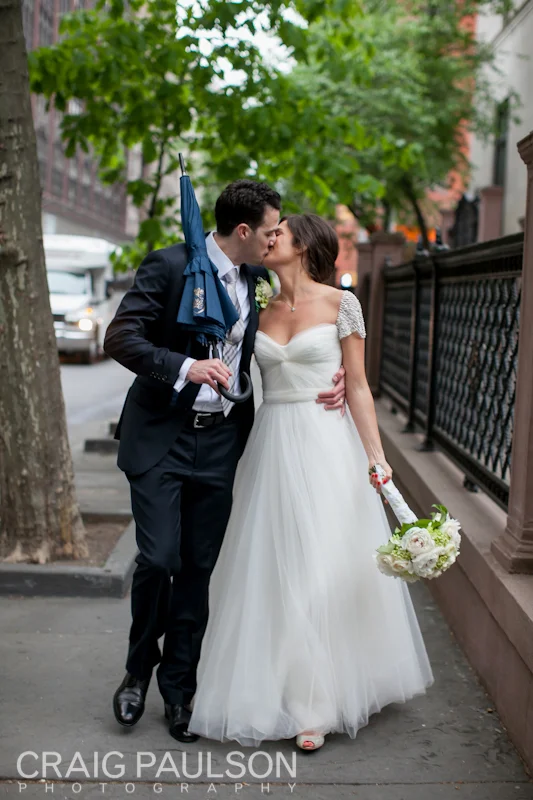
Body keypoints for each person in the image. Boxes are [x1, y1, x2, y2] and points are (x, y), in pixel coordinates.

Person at [104, 183, 347, 743]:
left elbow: (289, 343)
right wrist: (185, 366)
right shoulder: (169, 266)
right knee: (158, 557)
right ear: (245, 232)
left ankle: (180, 690)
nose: (275, 237)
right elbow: (121, 337)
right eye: (270, 230)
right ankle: (137, 671)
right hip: (162, 436)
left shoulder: (260, 284)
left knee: (197, 570)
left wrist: (332, 370)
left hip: (222, 442)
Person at [188, 214, 434, 751]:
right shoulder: (254, 306)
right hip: (271, 445)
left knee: (320, 571)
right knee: (274, 571)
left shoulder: (342, 303)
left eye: (278, 234)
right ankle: (276, 689)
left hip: (326, 444)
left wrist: (377, 458)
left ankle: (317, 705)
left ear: (304, 247)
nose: (268, 238)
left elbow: (360, 386)